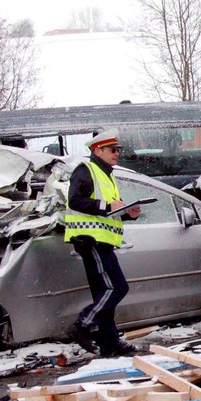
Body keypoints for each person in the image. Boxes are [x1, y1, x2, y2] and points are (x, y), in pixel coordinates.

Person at [64, 128, 141, 357]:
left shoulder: (106, 174)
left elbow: (109, 210)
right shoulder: (86, 170)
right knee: (116, 287)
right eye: (112, 150)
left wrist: (128, 213)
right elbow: (76, 200)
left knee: (104, 293)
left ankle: (109, 343)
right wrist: (107, 207)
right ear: (97, 150)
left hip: (101, 240)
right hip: (90, 239)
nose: (117, 154)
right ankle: (83, 325)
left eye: (118, 150)